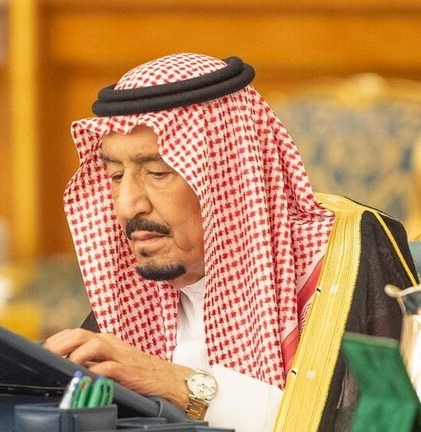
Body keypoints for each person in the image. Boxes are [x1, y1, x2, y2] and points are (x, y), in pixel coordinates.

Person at [42, 53, 418, 432]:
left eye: (157, 173)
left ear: (228, 176)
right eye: (115, 175)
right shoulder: (131, 287)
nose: (126, 206)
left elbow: (379, 422)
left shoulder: (341, 259)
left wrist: (185, 388)